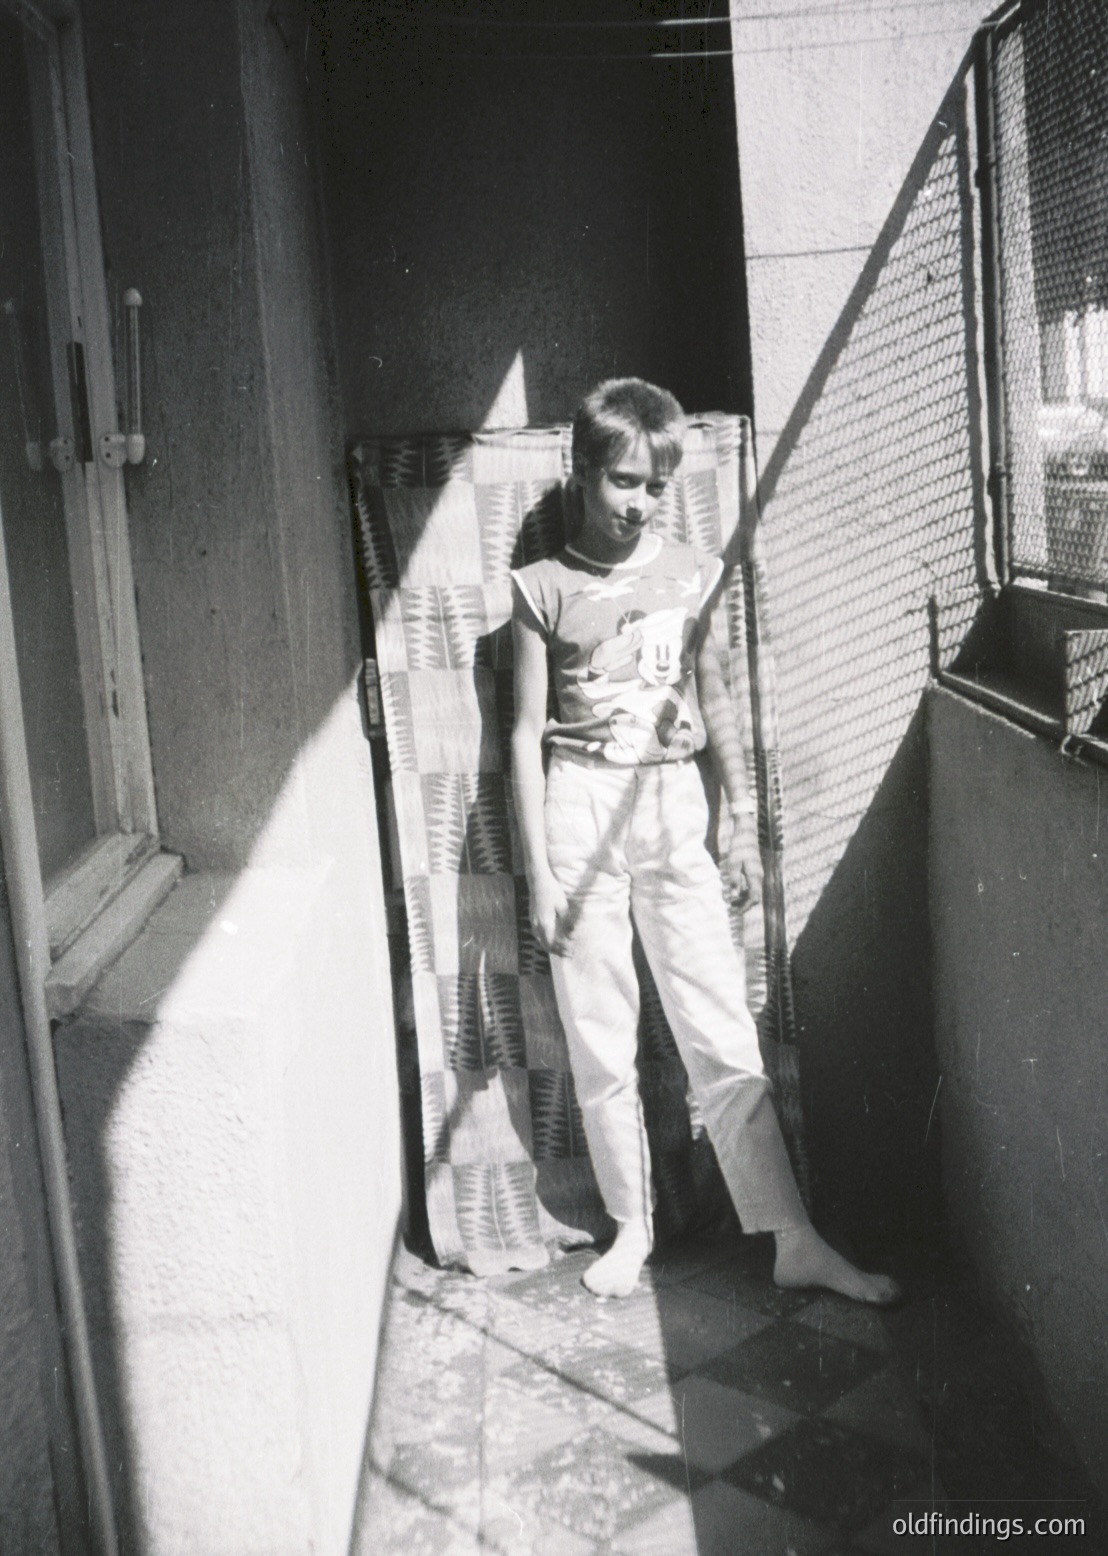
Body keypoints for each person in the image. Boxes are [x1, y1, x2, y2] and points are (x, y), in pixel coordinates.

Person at [509, 377, 900, 1304]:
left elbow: (717, 697)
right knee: (600, 1041)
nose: (637, 502)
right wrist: (539, 877)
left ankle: (792, 1236)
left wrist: (733, 820)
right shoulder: (541, 589)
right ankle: (631, 1227)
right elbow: (524, 735)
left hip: (673, 802)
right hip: (578, 809)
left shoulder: (691, 573)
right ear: (582, 473)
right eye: (622, 482)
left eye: (654, 486)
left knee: (720, 1030)